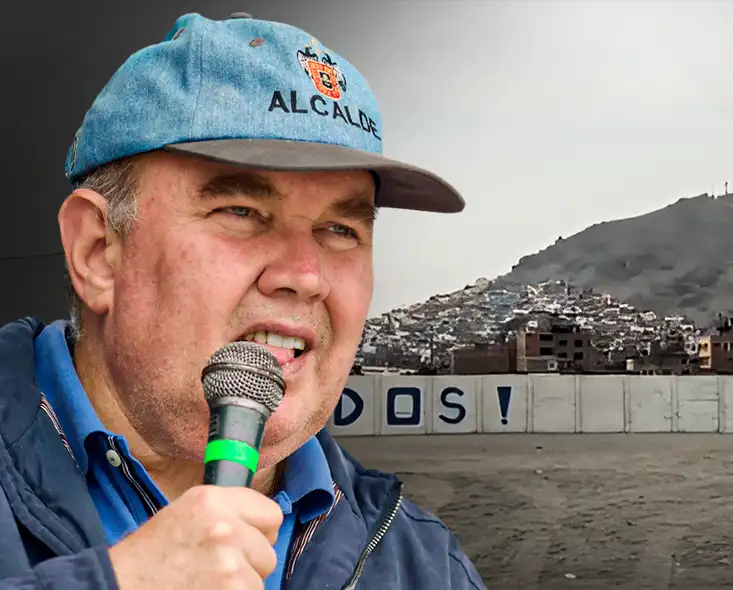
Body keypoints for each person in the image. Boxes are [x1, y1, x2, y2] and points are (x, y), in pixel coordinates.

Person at [0, 11, 486, 590]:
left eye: (341, 229)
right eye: (241, 212)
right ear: (98, 251)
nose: (305, 276)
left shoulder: (422, 562)